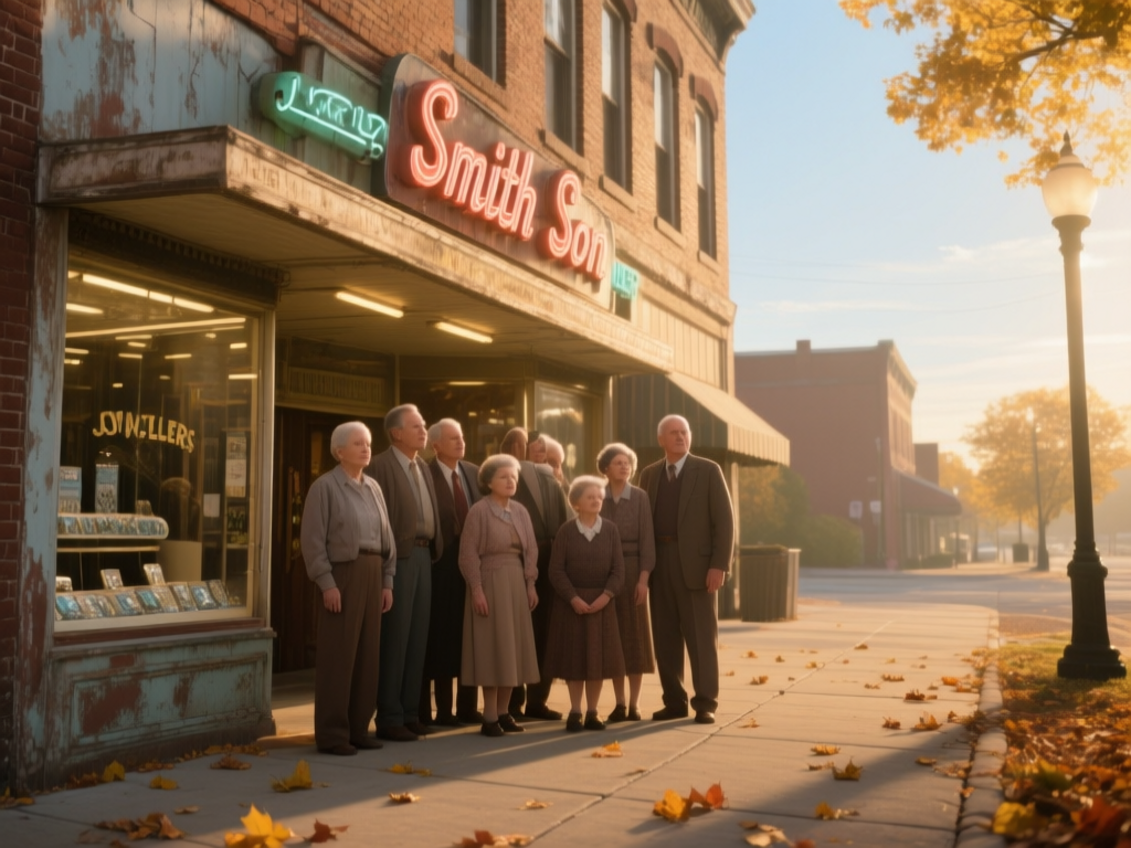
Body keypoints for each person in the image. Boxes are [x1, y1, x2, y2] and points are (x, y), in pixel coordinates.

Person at [300, 421, 395, 756]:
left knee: (368, 656)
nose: (366, 448)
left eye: (368, 443)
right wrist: (327, 582)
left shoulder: (374, 488)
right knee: (338, 655)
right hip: (343, 573)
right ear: (339, 451)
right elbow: (312, 541)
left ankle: (358, 728)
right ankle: (332, 734)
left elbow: (388, 539)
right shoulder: (324, 488)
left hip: (373, 572)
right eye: (358, 443)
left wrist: (387, 580)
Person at [638, 414, 735, 725]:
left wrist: (719, 565)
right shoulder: (650, 475)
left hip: (697, 567)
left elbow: (725, 522)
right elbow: (642, 525)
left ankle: (705, 702)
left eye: (684, 432)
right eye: (673, 433)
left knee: (701, 638)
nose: (680, 437)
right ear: (661, 440)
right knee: (665, 639)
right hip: (659, 563)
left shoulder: (708, 471)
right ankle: (674, 701)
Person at [370, 404, 442, 742]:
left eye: (423, 425)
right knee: (395, 638)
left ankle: (410, 712)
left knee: (418, 638)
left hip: (425, 556)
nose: (423, 431)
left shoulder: (422, 467)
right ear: (396, 432)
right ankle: (389, 715)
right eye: (416, 426)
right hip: (399, 558)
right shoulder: (380, 467)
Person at [458, 454, 541, 737]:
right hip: (490, 583)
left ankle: (504, 712)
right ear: (488, 481)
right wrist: (477, 589)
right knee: (492, 649)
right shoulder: (479, 511)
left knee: (512, 650)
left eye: (514, 476)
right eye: (504, 476)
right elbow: (468, 554)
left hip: (516, 582)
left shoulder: (520, 511)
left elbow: (531, 550)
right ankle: (489, 715)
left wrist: (530, 584)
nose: (511, 481)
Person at [544, 476, 625, 732]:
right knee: (575, 661)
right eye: (590, 497)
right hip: (572, 606)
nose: (596, 500)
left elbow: (619, 571)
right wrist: (573, 598)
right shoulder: (566, 531)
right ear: (576, 502)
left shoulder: (611, 530)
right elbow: (556, 571)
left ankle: (593, 712)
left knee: (597, 662)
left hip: (602, 606)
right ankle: (576, 711)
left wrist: (605, 597)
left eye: (599, 496)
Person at [500, 426, 569, 720]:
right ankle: (513, 702)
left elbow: (565, 524)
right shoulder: (507, 477)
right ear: (519, 448)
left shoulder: (552, 482)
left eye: (543, 445)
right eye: (533, 444)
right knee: (517, 633)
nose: (540, 449)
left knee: (546, 633)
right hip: (516, 562)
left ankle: (538, 700)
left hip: (549, 561)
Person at [421, 418, 482, 726]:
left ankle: (468, 708)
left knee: (469, 637)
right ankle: (442, 711)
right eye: (453, 438)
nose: (460, 442)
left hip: (470, 568)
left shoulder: (472, 472)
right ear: (436, 445)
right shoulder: (425, 473)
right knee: (440, 638)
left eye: (461, 437)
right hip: (439, 567)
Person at [597, 442, 656, 722]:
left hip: (633, 572)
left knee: (636, 640)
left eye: (627, 462)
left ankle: (635, 705)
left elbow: (648, 542)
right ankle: (619, 704)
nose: (624, 466)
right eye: (618, 462)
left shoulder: (641, 498)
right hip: (606, 574)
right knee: (613, 640)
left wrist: (643, 579)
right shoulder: (597, 496)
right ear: (606, 468)